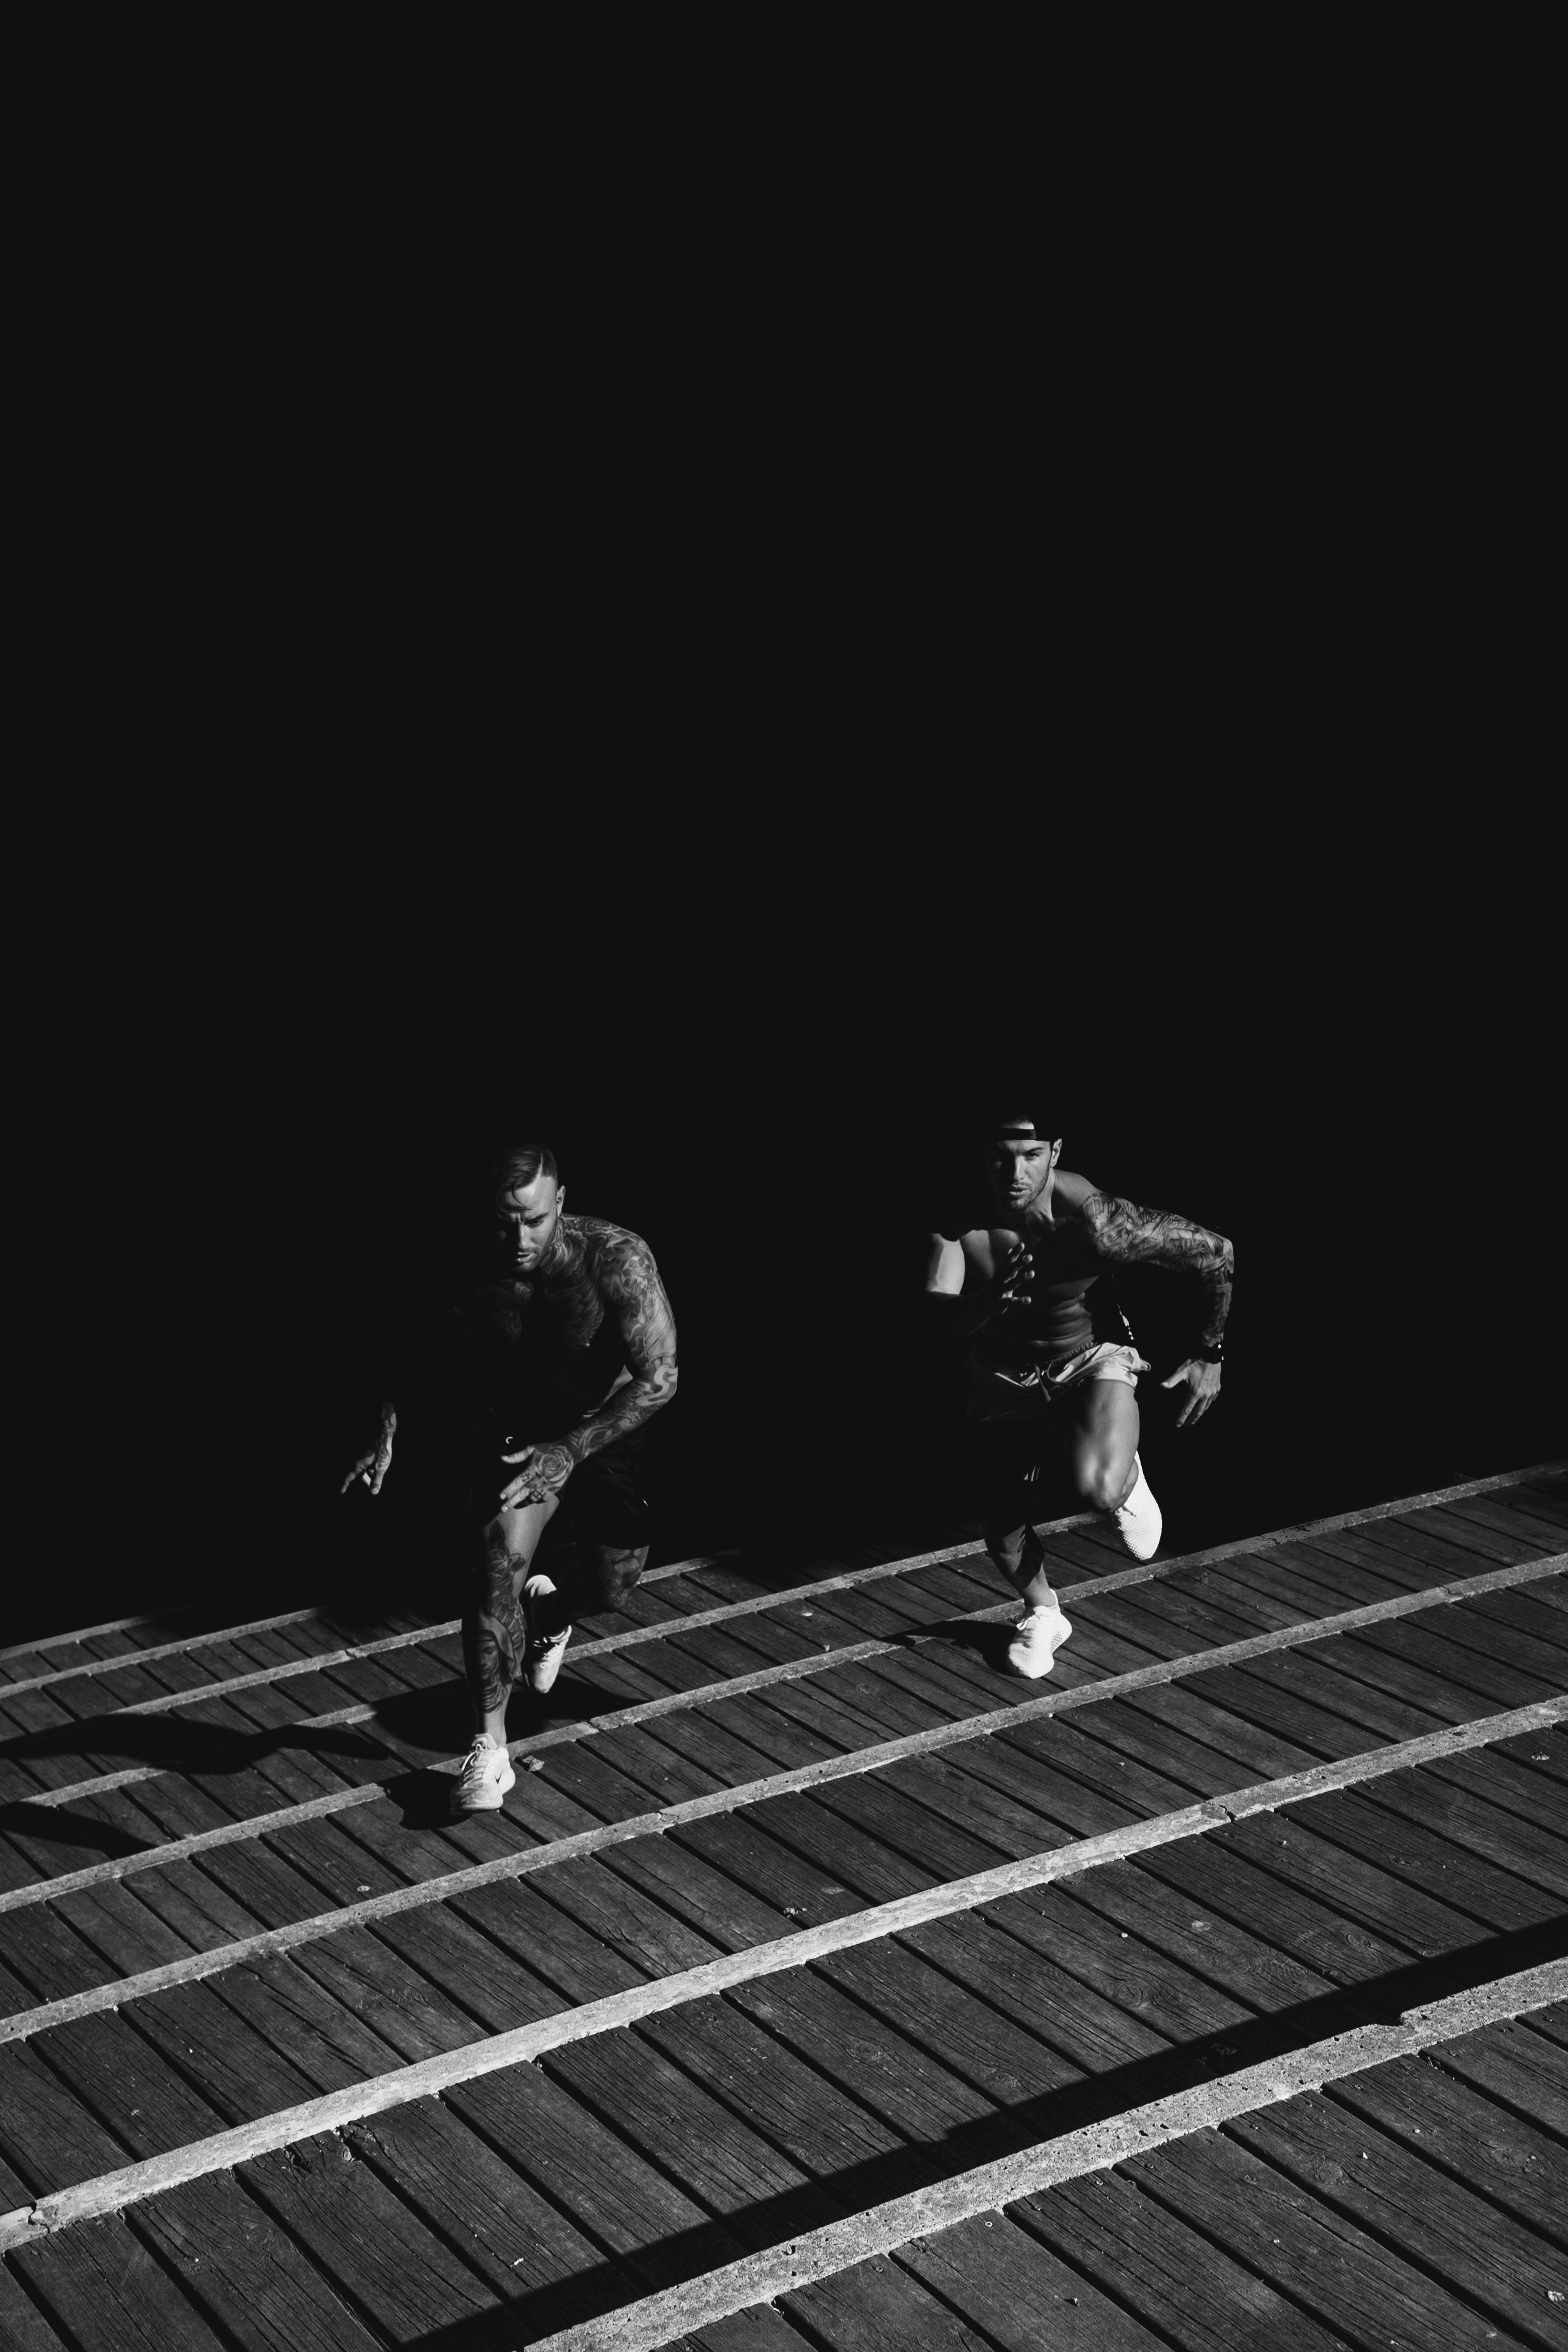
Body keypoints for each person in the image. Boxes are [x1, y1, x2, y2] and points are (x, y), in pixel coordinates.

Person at [341, 1142, 678, 1811]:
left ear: (559, 1203)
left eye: (532, 1220)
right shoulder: (459, 1266)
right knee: (496, 1561)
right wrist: (385, 1431)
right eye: (502, 1222)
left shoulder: (615, 1259)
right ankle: (489, 1750)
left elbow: (661, 1377)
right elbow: (410, 1349)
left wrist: (572, 1449)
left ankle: (552, 1615)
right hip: (515, 1428)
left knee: (614, 1585)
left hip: (598, 1423)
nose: (517, 1238)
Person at [926, 1112, 1232, 1678]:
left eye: (1031, 1155)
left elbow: (1215, 1252)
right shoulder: (956, 1214)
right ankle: (1045, 1614)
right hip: (1001, 1374)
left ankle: (1121, 1473)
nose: (1014, 1173)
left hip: (1088, 1357)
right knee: (1001, 1529)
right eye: (999, 1156)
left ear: (1056, 1152)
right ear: (981, 1156)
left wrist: (1208, 1355)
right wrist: (987, 1303)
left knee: (1096, 1488)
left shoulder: (1095, 1221)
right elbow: (934, 1321)